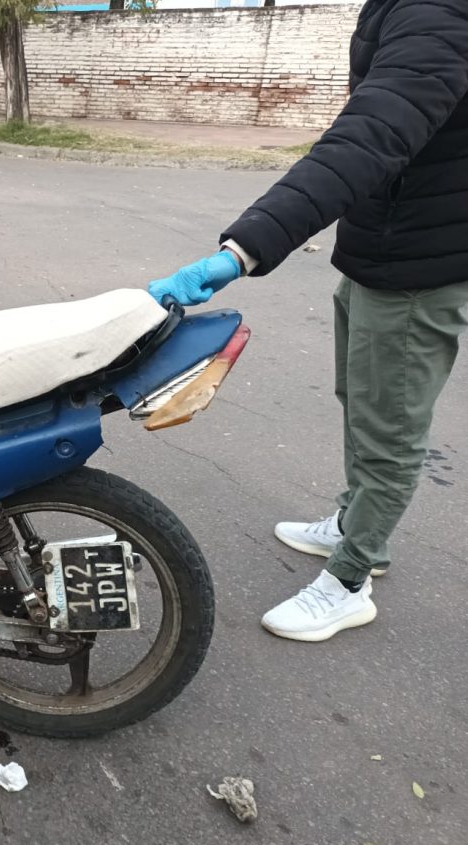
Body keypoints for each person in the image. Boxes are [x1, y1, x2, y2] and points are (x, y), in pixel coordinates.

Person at [148, 0, 468, 643]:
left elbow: (371, 136)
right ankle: (356, 524)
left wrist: (244, 248)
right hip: (384, 250)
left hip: (418, 269)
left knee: (389, 432)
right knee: (363, 400)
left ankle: (351, 580)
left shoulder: (441, 16)